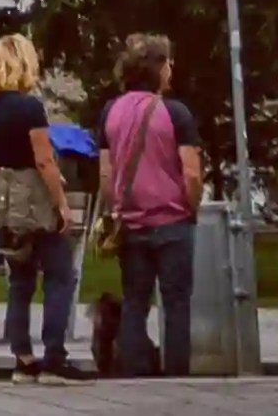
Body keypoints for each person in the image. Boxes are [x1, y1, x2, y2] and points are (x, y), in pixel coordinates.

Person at [100, 34, 204, 378]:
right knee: (175, 303)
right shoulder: (175, 113)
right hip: (172, 220)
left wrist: (115, 207)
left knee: (134, 301)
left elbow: (106, 171)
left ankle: (133, 372)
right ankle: (176, 373)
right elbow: (191, 172)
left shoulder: (110, 112)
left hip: (130, 223)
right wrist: (192, 208)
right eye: (168, 63)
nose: (172, 69)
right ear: (157, 68)